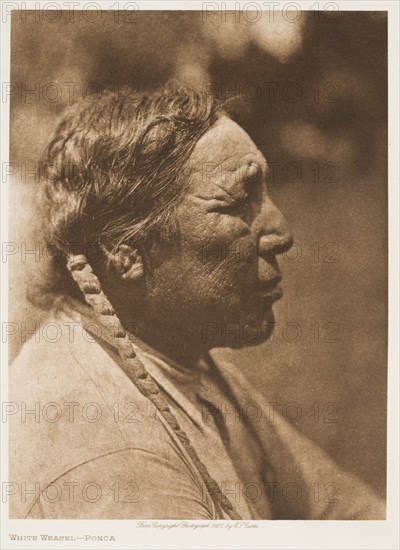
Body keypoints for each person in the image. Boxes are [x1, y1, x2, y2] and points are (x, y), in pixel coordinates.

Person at [9, 84, 384, 519]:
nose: (282, 233)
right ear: (123, 250)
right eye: (238, 202)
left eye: (264, 193)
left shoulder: (176, 356)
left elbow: (343, 511)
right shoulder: (103, 449)